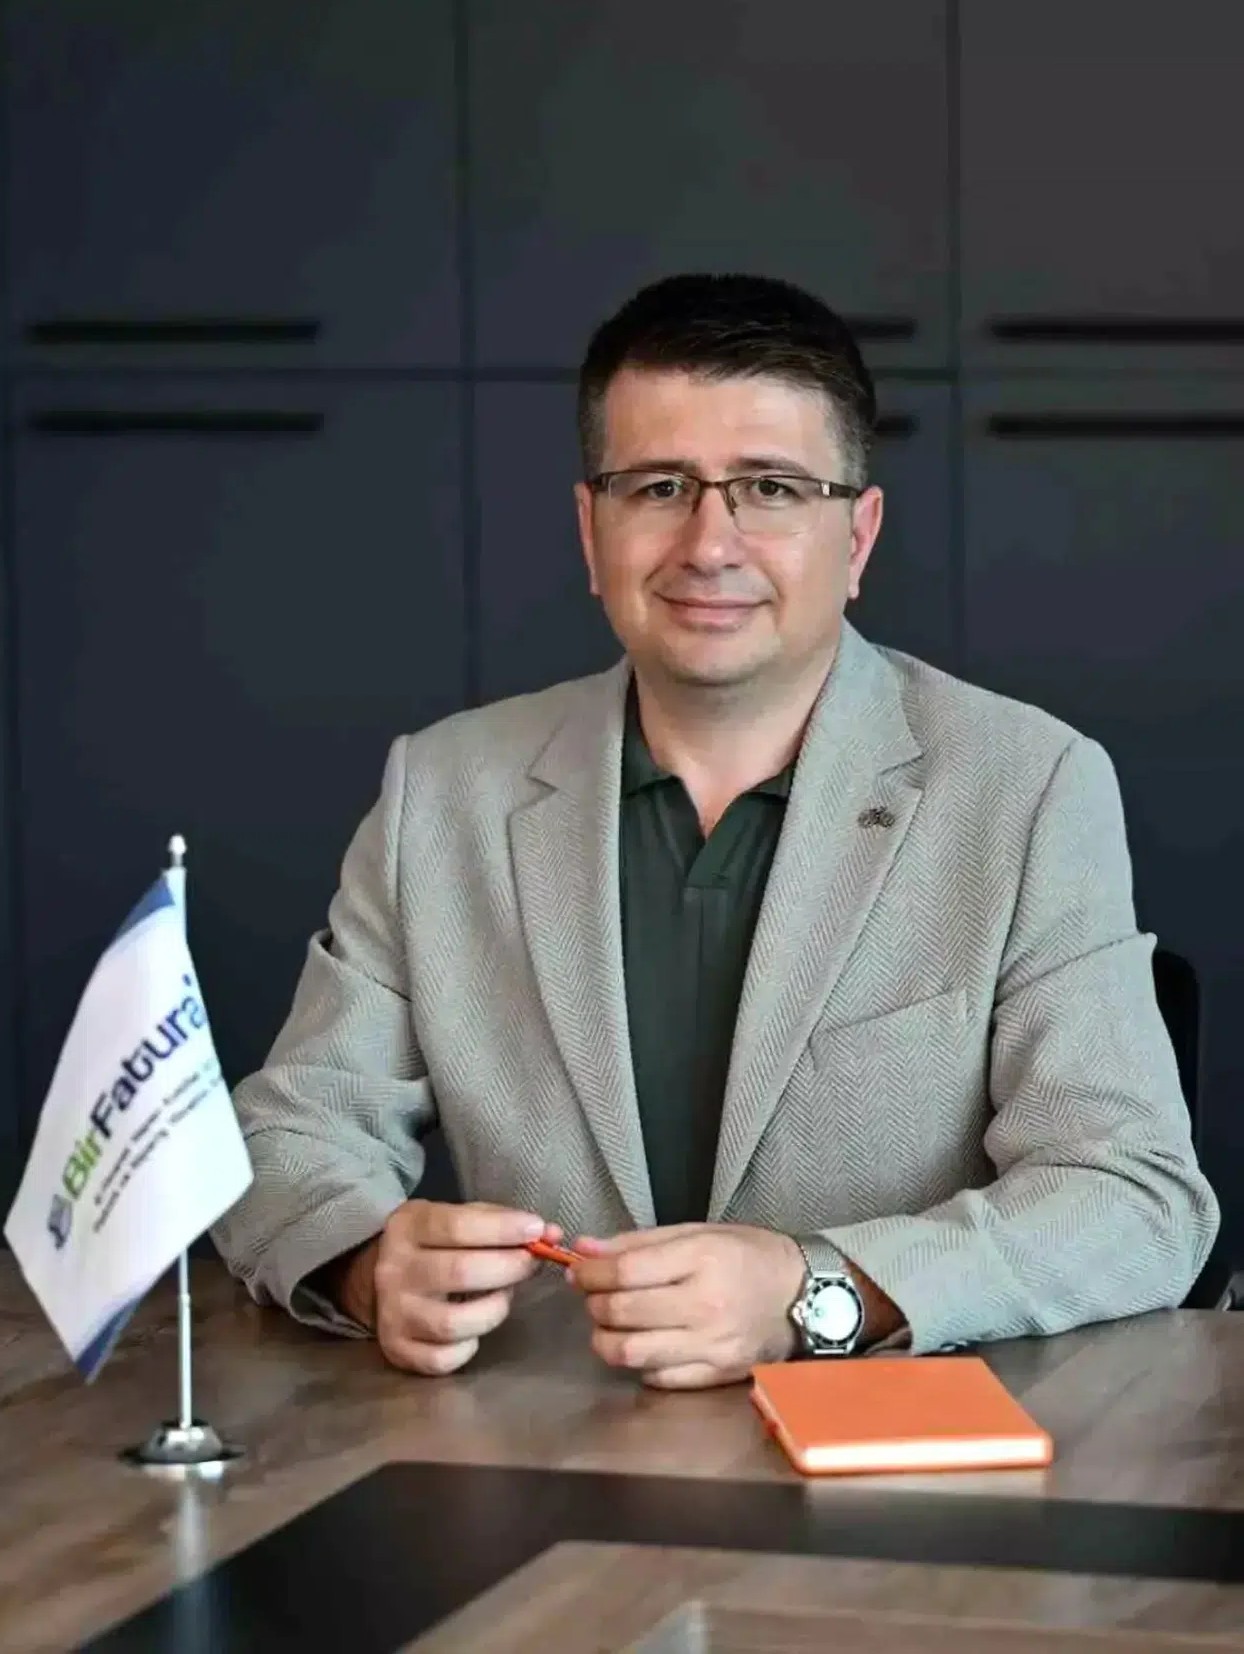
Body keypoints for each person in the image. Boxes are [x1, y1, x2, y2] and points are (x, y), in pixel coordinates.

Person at [212, 273, 1218, 1389]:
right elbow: (286, 1132)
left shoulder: (1026, 787)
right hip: (539, 1435)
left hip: (898, 1457)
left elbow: (1131, 1197)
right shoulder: (442, 791)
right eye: (658, 486)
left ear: (857, 536)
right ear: (590, 529)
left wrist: (814, 1291)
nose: (708, 543)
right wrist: (364, 1262)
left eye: (771, 488)